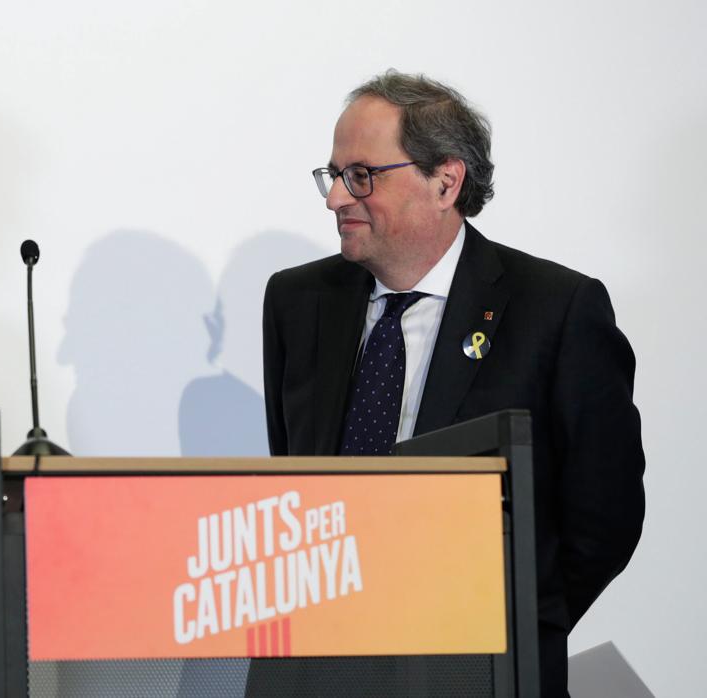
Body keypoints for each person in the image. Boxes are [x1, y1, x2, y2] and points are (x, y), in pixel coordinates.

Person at [259, 70, 644, 696]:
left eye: (361, 175)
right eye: (333, 175)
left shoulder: (557, 309)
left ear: (446, 181)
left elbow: (605, 520)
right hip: (316, 669)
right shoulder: (297, 300)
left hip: (476, 671)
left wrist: (510, 633)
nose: (335, 199)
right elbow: (294, 473)